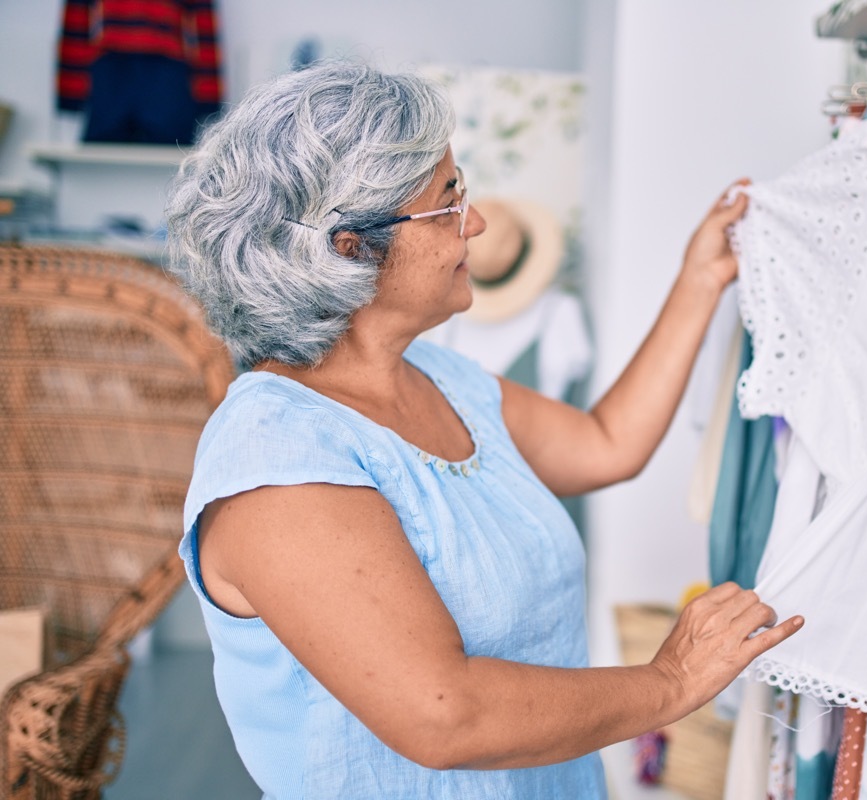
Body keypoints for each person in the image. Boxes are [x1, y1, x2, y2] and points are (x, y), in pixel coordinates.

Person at [165, 60, 803, 799]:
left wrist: (700, 280)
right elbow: (445, 716)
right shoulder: (276, 459)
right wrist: (669, 683)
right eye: (448, 200)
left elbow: (606, 445)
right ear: (349, 246)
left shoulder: (442, 378)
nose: (478, 221)